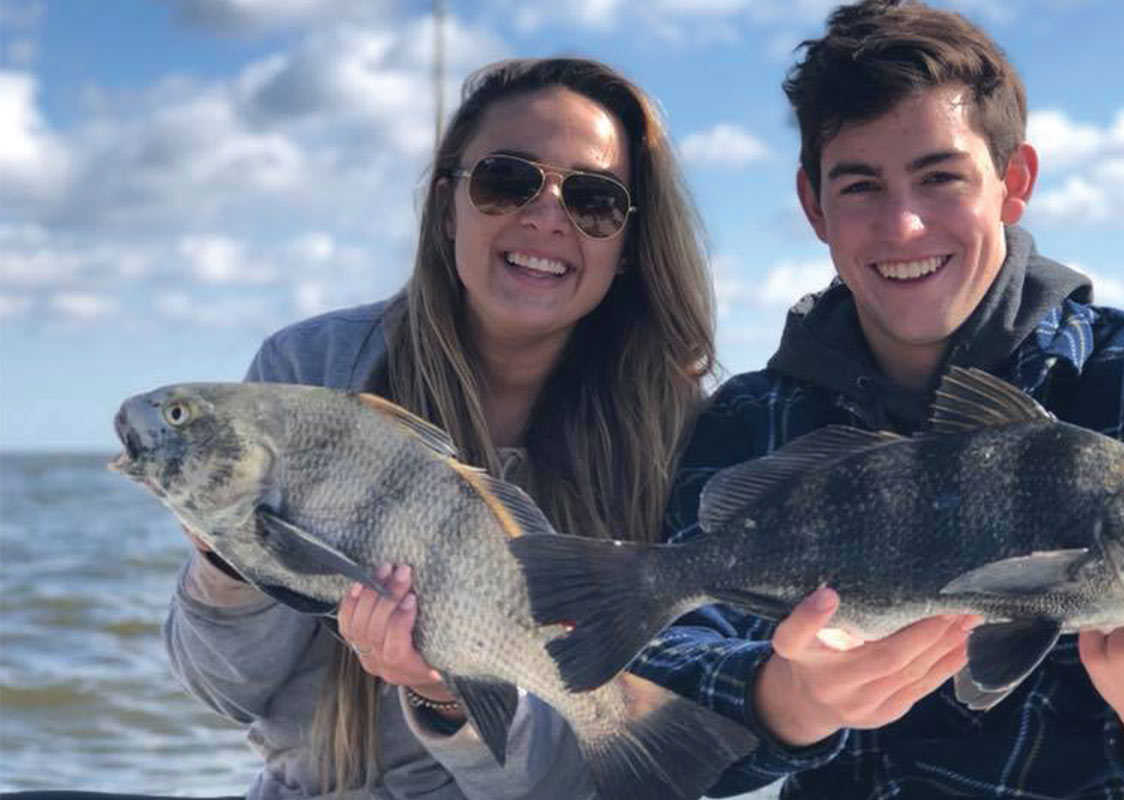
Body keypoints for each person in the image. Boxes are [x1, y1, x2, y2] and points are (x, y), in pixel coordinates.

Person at [629, 1, 1124, 797]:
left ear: (1012, 183)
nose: (904, 225)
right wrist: (784, 702)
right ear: (813, 206)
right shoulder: (749, 420)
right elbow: (653, 717)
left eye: (940, 176)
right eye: (860, 186)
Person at [164, 57, 715, 798]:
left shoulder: (674, 434)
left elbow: (567, 782)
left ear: (626, 248)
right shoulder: (310, 369)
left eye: (595, 200)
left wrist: (444, 695)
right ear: (447, 202)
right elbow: (225, 692)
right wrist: (229, 565)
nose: (546, 215)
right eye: (507, 180)